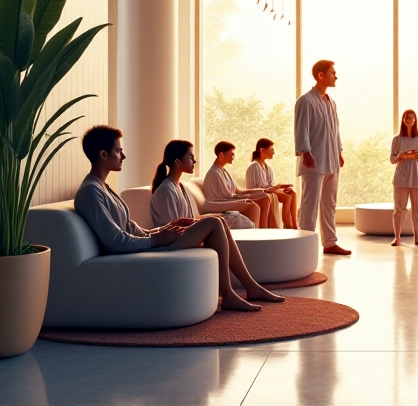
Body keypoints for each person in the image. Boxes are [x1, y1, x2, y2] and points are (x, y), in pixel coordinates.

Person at [74, 126, 284, 310]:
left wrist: (159, 231)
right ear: (103, 154)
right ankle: (234, 293)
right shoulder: (91, 192)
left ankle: (245, 288)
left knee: (216, 222)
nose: (123, 156)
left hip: (145, 244)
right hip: (131, 253)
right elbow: (115, 241)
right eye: (119, 150)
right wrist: (156, 239)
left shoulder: (103, 188)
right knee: (213, 222)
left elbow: (129, 227)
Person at [294, 59, 350, 255]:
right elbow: (302, 129)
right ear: (320, 75)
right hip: (314, 162)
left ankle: (330, 242)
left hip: (332, 160)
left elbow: (335, 131)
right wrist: (305, 152)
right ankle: (305, 246)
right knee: (310, 205)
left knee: (329, 203)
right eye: (333, 72)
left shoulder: (331, 103)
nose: (336, 76)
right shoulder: (306, 101)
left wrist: (339, 151)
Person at [204, 141, 278, 228]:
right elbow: (228, 197)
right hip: (220, 206)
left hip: (229, 201)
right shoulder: (215, 173)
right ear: (221, 155)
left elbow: (238, 191)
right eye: (232, 154)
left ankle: (265, 230)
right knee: (255, 206)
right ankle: (257, 233)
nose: (233, 157)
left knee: (265, 196)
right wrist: (248, 198)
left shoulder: (223, 170)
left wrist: (263, 190)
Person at [390, 109, 418, 247]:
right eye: (407, 118)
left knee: (417, 209)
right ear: (403, 120)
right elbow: (392, 159)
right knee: (399, 209)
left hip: (417, 178)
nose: (409, 120)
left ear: (415, 120)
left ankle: (417, 237)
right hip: (401, 178)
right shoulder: (397, 139)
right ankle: (397, 238)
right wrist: (402, 156)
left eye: (412, 118)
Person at [246, 138, 298, 229]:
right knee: (287, 197)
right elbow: (253, 188)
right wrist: (278, 188)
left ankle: (294, 224)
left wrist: (281, 188)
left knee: (292, 192)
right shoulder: (254, 167)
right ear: (262, 150)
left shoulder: (268, 167)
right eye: (272, 149)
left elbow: (270, 185)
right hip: (260, 194)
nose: (273, 152)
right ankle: (288, 226)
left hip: (269, 191)